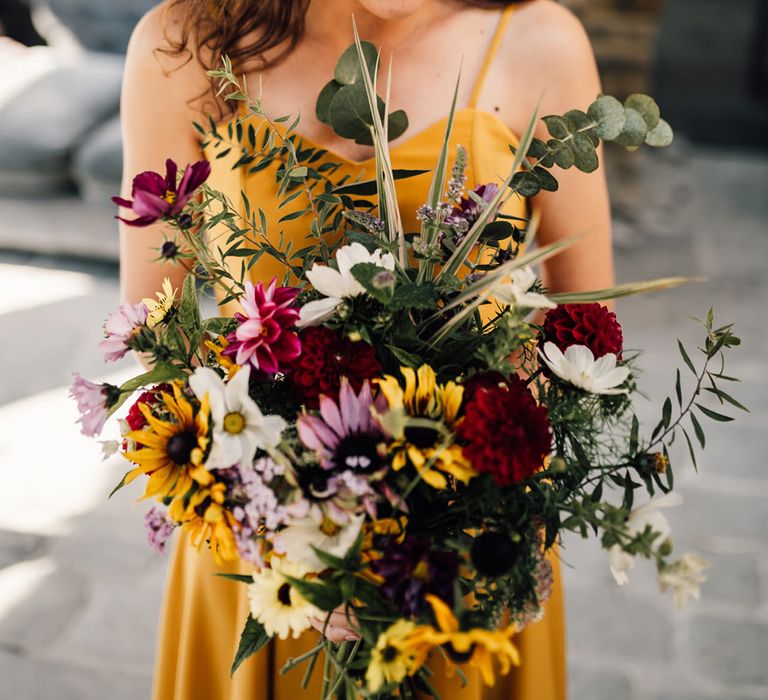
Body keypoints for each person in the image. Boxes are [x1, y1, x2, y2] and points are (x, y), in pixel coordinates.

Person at [118, 1, 613, 698]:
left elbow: (586, 326)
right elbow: (153, 326)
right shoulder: (185, 42)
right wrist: (297, 522)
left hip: (464, 545)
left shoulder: (540, 42)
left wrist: (447, 509)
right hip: (265, 548)